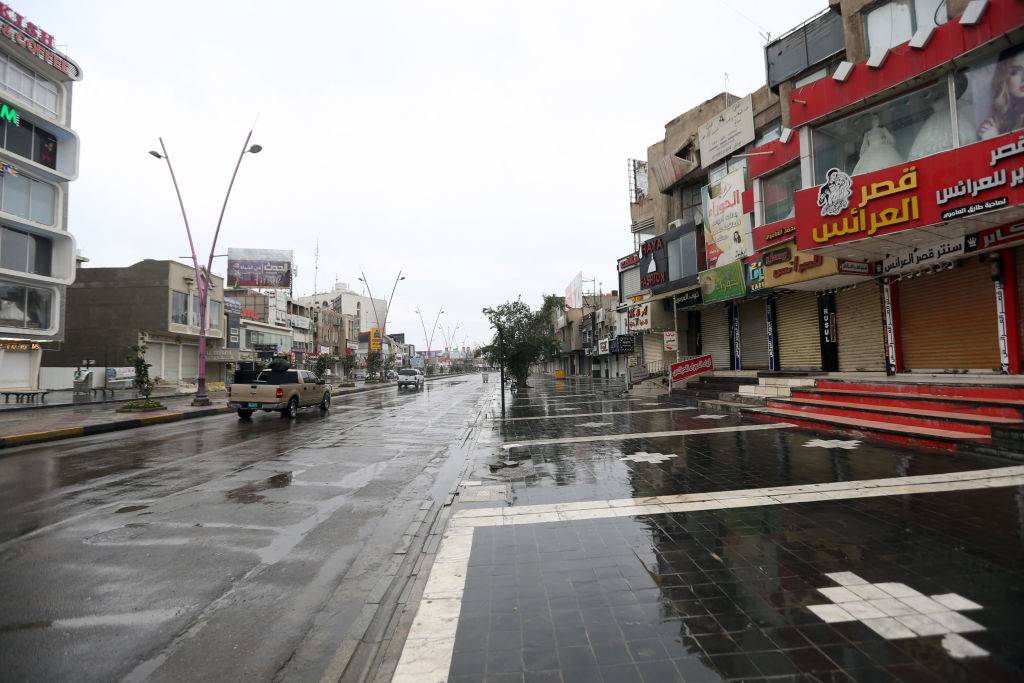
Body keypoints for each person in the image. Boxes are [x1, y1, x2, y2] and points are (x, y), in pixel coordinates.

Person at [978, 44, 1024, 140]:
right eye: (1014, 72)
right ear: (1004, 78)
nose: (1023, 78)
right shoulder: (993, 123)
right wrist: (991, 138)